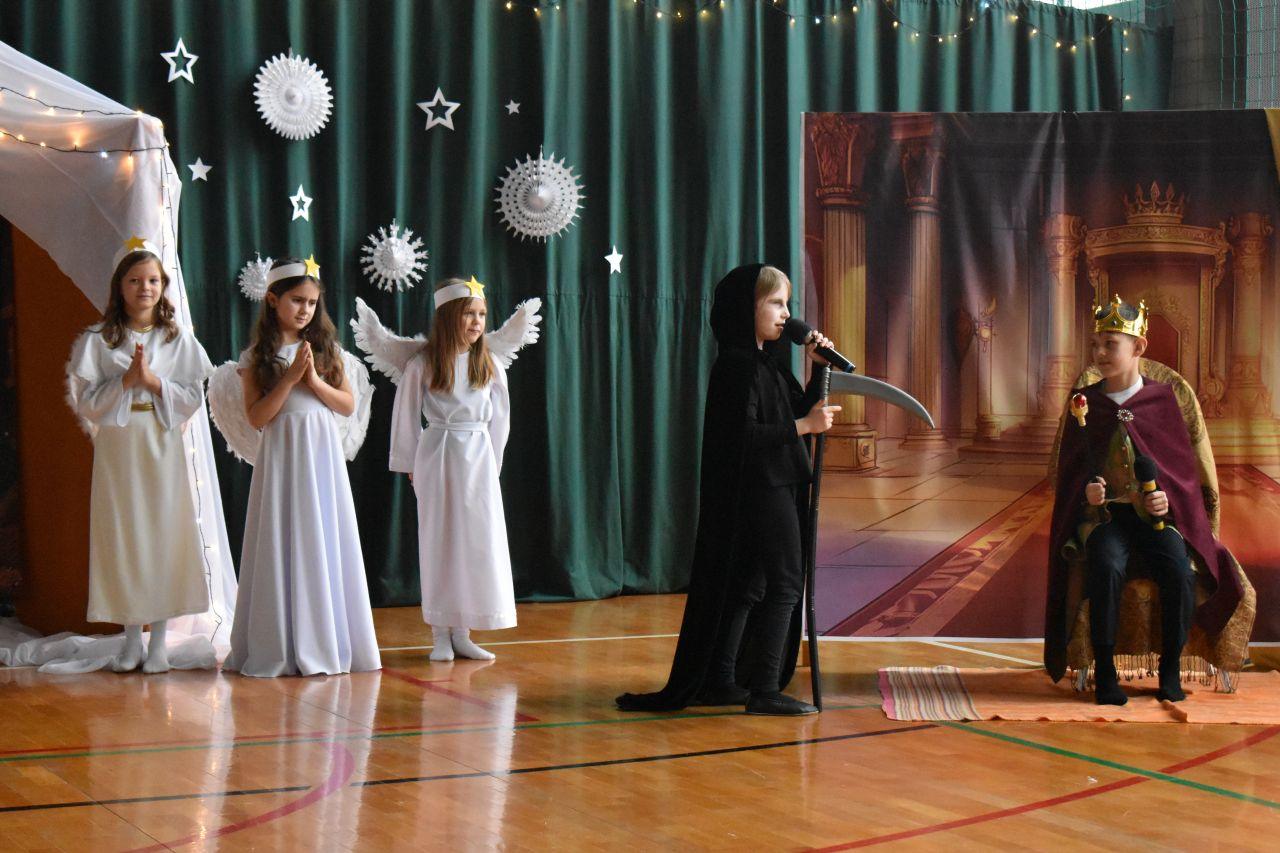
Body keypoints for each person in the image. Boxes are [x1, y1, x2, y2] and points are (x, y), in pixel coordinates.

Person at [616, 264, 839, 715]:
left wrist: (817, 372)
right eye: (775, 303)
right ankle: (765, 690)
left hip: (774, 484)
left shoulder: (765, 364)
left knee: (750, 585)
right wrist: (804, 426)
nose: (786, 313)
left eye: (787, 304)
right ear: (746, 308)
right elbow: (743, 435)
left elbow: (796, 411)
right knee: (785, 583)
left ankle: (721, 679)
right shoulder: (737, 366)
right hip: (762, 489)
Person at [1047, 295, 1243, 704]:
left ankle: (1170, 669)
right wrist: (1087, 494)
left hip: (1156, 520)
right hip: (1106, 519)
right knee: (1105, 565)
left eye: (1110, 344)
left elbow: (1181, 470)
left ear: (1138, 347)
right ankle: (1106, 673)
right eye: (1096, 344)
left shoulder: (1162, 401)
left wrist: (1166, 501)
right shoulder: (1086, 403)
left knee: (1178, 570)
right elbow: (1071, 471)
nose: (1100, 353)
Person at [222, 257, 380, 677]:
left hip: (320, 455)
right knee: (283, 535)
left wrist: (313, 381)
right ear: (273, 300)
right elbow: (257, 417)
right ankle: (281, 643)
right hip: (282, 456)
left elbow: (346, 405)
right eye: (296, 300)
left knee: (321, 533)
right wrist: (290, 379)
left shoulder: (326, 350)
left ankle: (326, 639)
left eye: (311, 302)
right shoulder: (257, 357)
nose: (305, 310)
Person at [65, 239, 215, 673]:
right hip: (119, 446)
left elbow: (192, 395)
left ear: (162, 285)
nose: (144, 288)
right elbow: (87, 402)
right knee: (125, 534)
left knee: (162, 533)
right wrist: (126, 382)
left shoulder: (176, 338)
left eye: (152, 280)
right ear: (120, 286)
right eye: (134, 280)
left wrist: (153, 382)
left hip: (160, 442)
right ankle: (132, 641)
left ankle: (160, 643)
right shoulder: (99, 339)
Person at [388, 277, 518, 662]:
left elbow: (501, 419)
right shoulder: (423, 364)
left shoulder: (489, 364)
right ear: (447, 317)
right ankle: (440, 632)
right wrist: (410, 462)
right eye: (468, 314)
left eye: (481, 314)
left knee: (475, 543)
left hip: (477, 458)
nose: (477, 322)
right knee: (440, 540)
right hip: (439, 455)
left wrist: (492, 462)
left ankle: (463, 631)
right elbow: (405, 415)